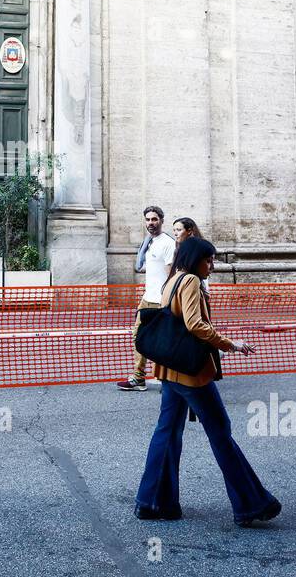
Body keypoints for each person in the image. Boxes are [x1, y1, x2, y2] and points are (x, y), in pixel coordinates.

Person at [134, 237, 280, 527]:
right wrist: (230, 344)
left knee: (167, 432)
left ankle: (153, 501)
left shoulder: (173, 279)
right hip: (190, 372)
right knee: (220, 432)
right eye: (208, 259)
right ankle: (249, 503)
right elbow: (194, 324)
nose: (212, 265)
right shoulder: (189, 281)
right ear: (194, 259)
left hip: (169, 370)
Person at [118, 206, 177, 392]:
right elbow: (142, 266)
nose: (150, 223)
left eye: (154, 219)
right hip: (147, 298)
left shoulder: (168, 243)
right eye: (148, 220)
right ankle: (139, 378)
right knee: (138, 336)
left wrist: (168, 300)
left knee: (162, 340)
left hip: (161, 300)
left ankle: (168, 378)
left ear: (162, 220)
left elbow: (171, 274)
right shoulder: (150, 242)